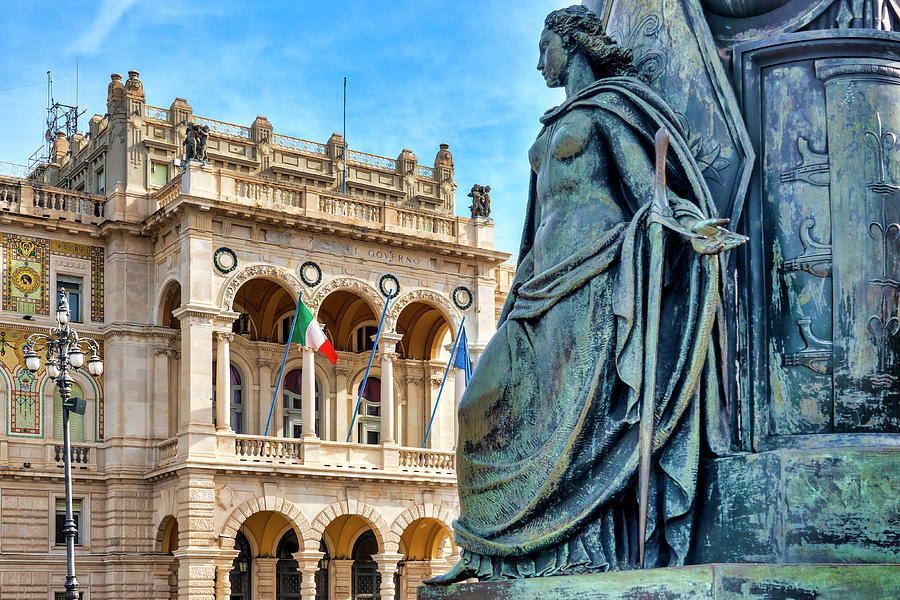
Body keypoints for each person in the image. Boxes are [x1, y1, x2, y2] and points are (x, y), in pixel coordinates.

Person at [428, 5, 741, 583]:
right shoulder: (551, 125)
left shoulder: (607, 109)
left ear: (572, 47)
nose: (537, 59)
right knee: (478, 409)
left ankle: (561, 547)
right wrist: (517, 280)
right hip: (539, 281)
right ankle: (484, 548)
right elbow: (533, 218)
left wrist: (689, 227)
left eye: (544, 45)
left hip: (592, 274)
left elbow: (648, 191)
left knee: (571, 427)